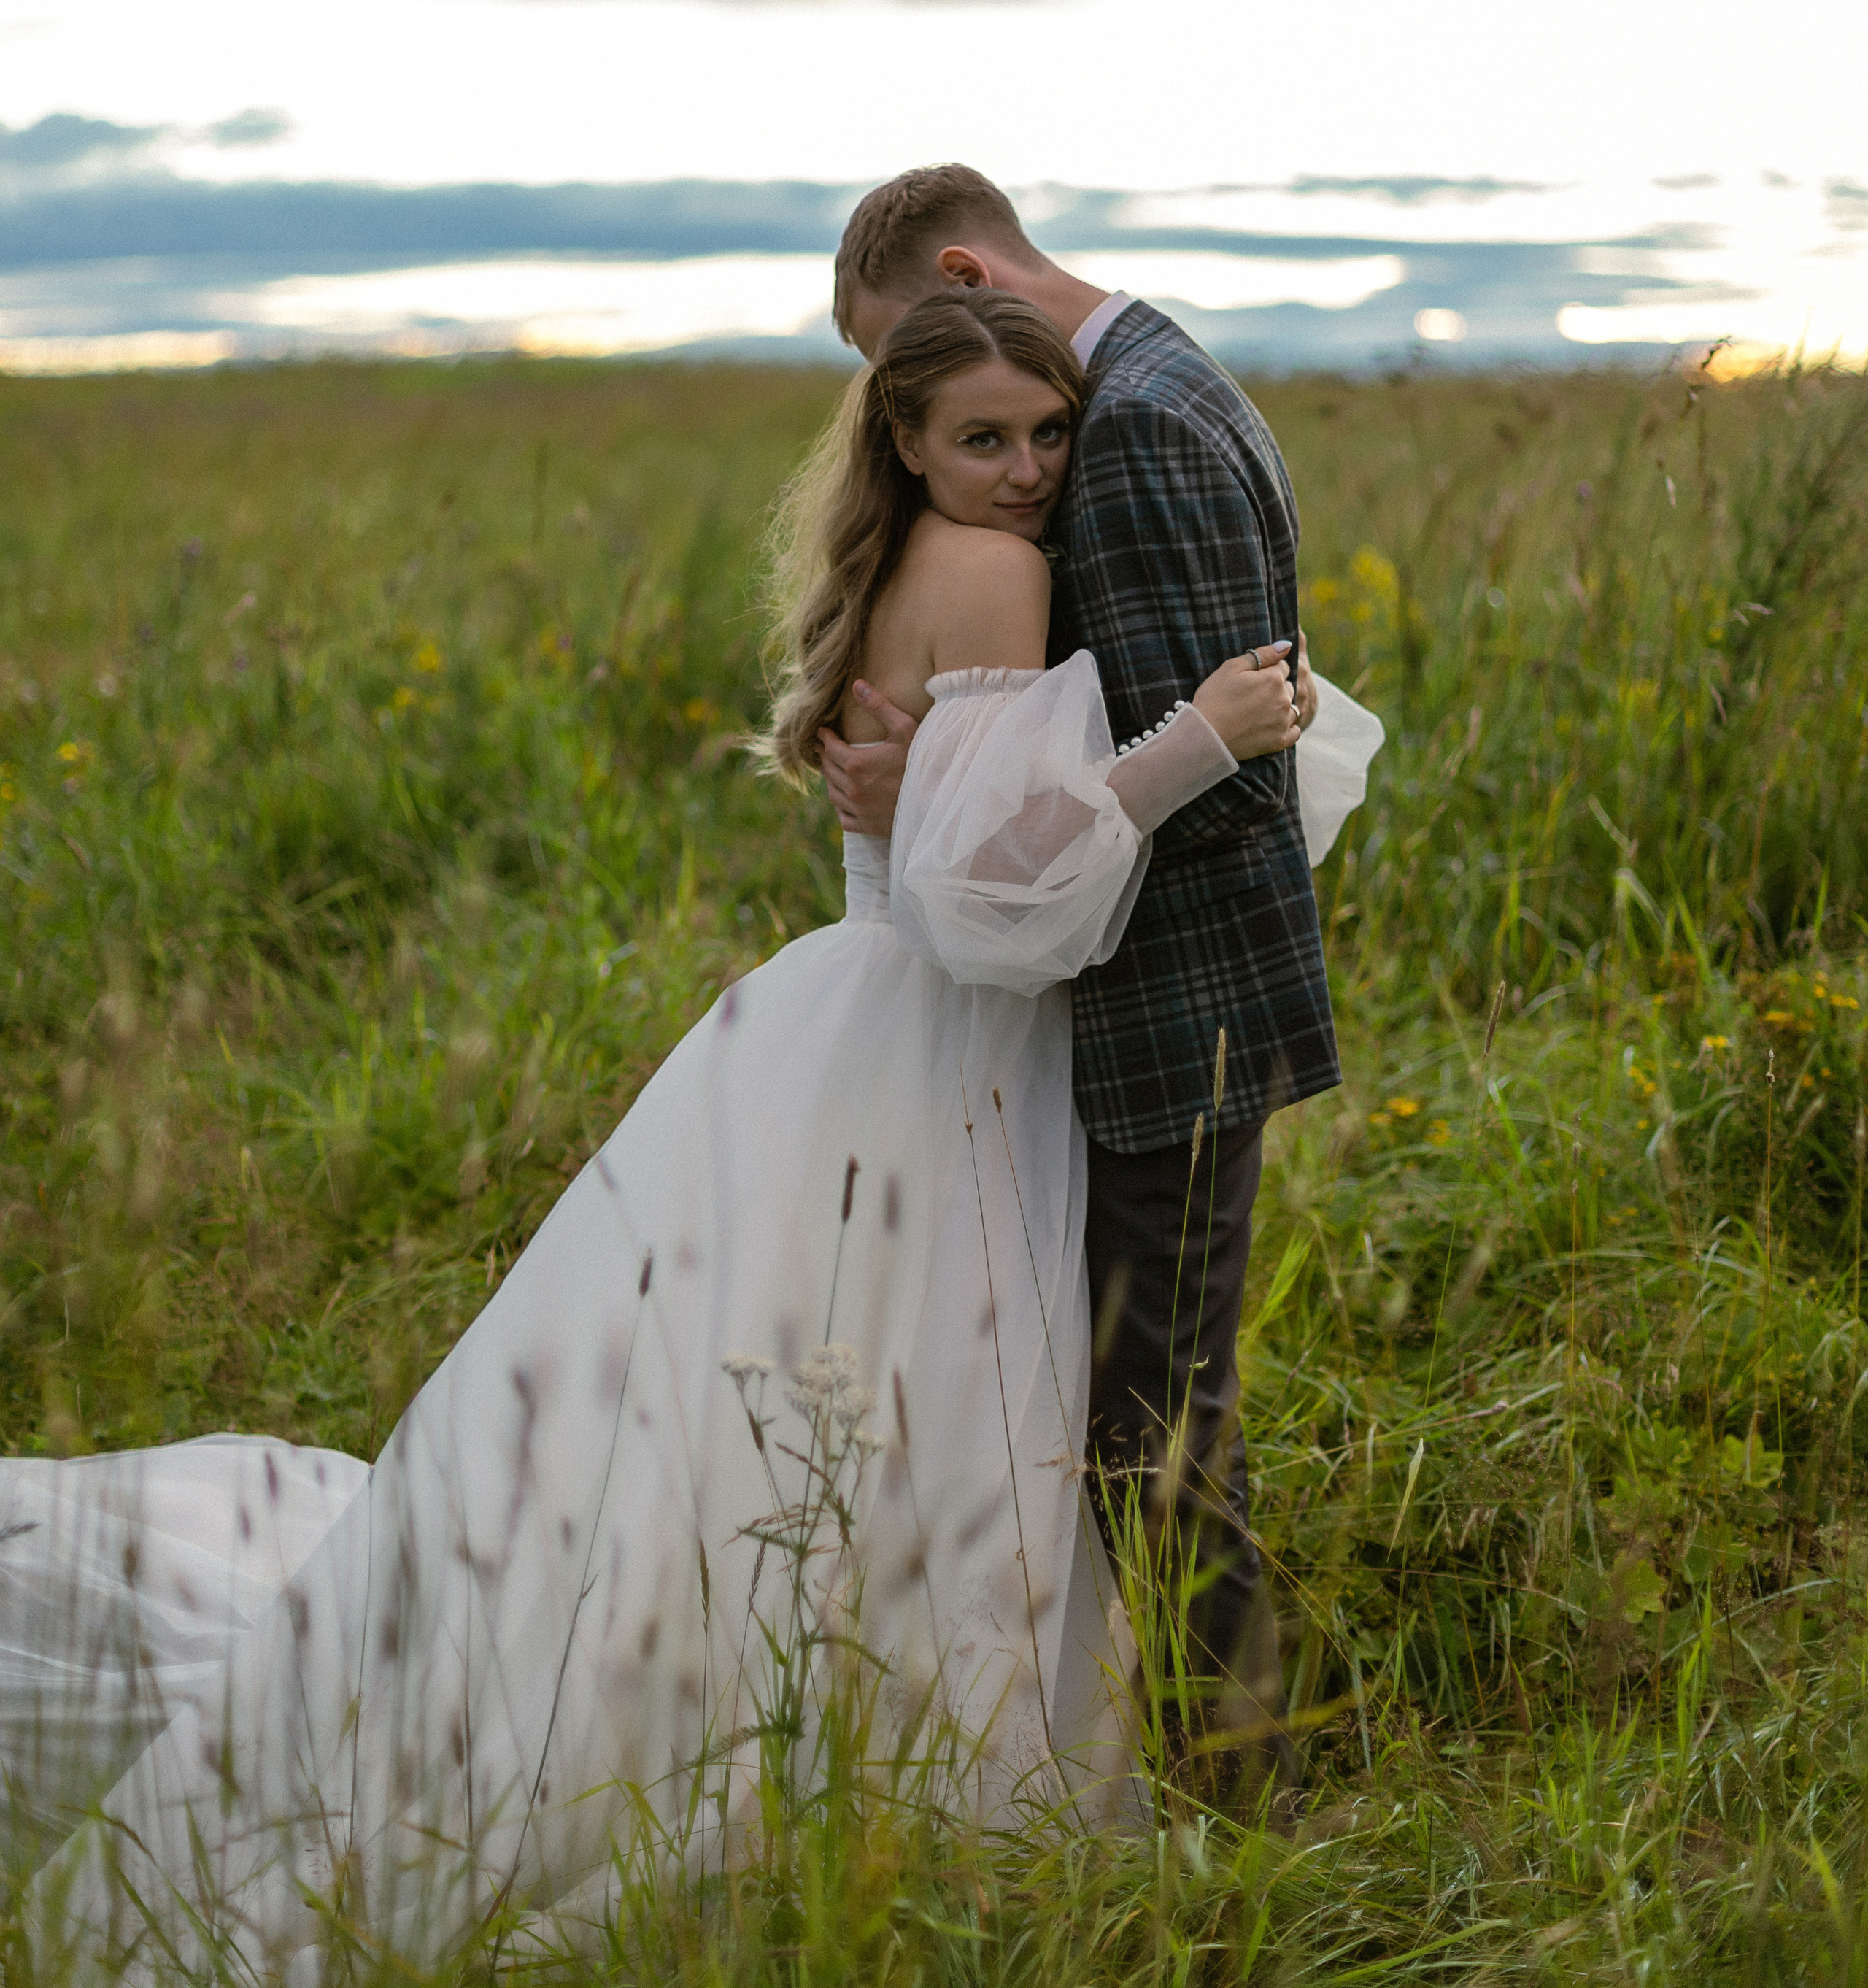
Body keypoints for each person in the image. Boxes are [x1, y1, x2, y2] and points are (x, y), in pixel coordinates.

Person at [2, 288, 1314, 1979]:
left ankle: (796, 1731)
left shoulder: (906, 558)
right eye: (979, 438)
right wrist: (1198, 741)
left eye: (1046, 435)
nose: (1022, 470)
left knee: (803, 1426)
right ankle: (907, 1770)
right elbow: (989, 899)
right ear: (902, 438)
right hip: (937, 1046)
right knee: (930, 1419)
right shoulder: (995, 569)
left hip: (843, 1035)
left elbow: (939, 841)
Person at [822, 165, 1351, 1796]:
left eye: (919, 348)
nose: (1000, 452)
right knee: (1112, 1407)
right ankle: (1230, 1754)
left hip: (1161, 1007)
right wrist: (957, 805)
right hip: (1045, 1008)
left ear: (970, 271)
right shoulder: (1113, 417)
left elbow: (1248, 760)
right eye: (946, 417)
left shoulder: (1136, 429)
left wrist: (971, 814)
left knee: (1146, 1417)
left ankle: (1249, 1781)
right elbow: (1200, 712)